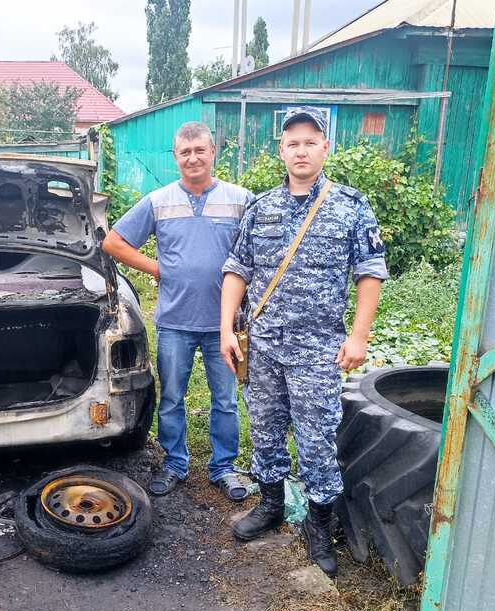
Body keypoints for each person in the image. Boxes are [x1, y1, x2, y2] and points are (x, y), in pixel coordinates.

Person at [219, 107, 388, 577]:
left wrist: (359, 335)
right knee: (266, 429)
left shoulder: (351, 206)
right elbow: (237, 269)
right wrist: (226, 328)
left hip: (317, 350)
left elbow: (370, 273)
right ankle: (270, 504)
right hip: (265, 346)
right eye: (292, 142)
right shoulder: (261, 207)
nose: (301, 150)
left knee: (316, 441)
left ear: (325, 147)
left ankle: (318, 524)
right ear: (282, 150)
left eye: (310, 141)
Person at [103, 121, 254, 500]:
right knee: (171, 397)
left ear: (213, 152)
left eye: (200, 150)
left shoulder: (241, 200)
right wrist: (157, 268)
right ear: (176, 157)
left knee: (225, 399)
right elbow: (114, 242)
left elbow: (261, 252)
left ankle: (224, 468)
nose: (193, 158)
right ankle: (175, 463)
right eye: (185, 152)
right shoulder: (159, 200)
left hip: (226, 325)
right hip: (175, 322)